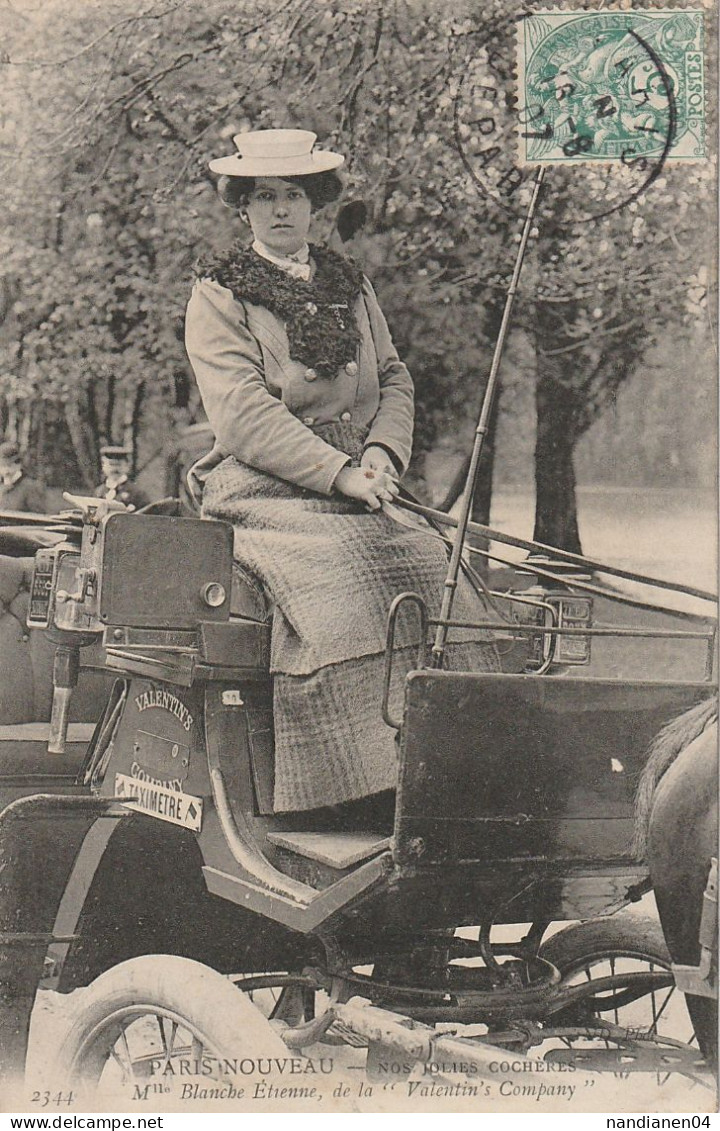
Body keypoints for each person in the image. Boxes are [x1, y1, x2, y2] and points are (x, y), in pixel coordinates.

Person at [185, 128, 498, 816]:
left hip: (357, 476)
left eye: (293, 195)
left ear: (314, 203)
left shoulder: (349, 285)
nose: (279, 211)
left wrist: (382, 456)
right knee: (340, 595)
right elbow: (241, 416)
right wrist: (339, 474)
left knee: (435, 564)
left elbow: (392, 377)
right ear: (244, 208)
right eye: (264, 197)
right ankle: (351, 792)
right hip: (262, 486)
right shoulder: (220, 295)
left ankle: (454, 770)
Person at [95, 444, 149, 511]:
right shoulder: (99, 491)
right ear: (103, 466)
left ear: (127, 466)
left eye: (119, 465)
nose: (115, 469)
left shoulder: (137, 493)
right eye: (111, 464)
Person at [0, 441, 49, 513]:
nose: (6, 470)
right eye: (2, 466)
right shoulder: (1, 486)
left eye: (9, 465)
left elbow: (39, 519)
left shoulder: (30, 487)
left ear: (18, 464)